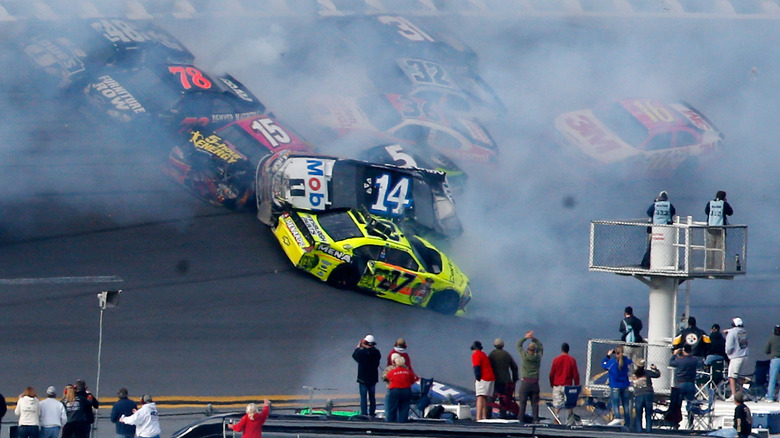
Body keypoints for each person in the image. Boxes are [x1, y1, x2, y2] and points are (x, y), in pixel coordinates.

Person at [642, 190, 676, 268]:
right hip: (667, 228)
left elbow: (649, 212)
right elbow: (673, 212)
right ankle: (668, 262)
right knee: (667, 246)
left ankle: (646, 263)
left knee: (652, 245)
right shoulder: (669, 205)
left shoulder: (655, 205)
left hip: (656, 228)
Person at [548, 342, 579, 423]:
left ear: (561, 349)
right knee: (569, 404)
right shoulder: (572, 360)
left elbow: (552, 373)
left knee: (557, 404)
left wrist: (552, 383)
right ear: (568, 350)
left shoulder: (556, 359)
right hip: (568, 386)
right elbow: (575, 374)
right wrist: (576, 386)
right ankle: (570, 419)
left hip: (557, 385)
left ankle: (556, 420)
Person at [516, 331, 543, 424]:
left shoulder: (524, 356)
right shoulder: (538, 356)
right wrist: (534, 339)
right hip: (535, 383)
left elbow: (519, 345)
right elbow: (541, 347)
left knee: (522, 403)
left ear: (527, 349)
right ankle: (535, 419)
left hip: (525, 383)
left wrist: (526, 337)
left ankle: (521, 420)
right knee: (535, 404)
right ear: (535, 350)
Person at [602, 345, 632, 426]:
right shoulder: (626, 362)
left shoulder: (612, 362)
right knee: (626, 405)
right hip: (625, 385)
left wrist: (608, 356)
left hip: (615, 385)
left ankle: (617, 417)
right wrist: (623, 356)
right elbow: (630, 362)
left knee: (615, 403)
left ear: (615, 353)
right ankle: (627, 422)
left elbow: (604, 365)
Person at [488, 338, 518, 418]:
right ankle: (503, 416)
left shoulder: (491, 355)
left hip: (495, 382)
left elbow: (487, 367)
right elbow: (514, 367)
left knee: (490, 401)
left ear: (494, 345)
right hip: (506, 382)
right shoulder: (507, 355)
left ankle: (488, 416)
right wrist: (514, 379)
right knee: (504, 401)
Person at [352, 334, 381, 416]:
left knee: (363, 397)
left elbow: (354, 355)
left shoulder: (361, 352)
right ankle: (372, 412)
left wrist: (358, 347)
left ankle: (364, 413)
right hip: (373, 378)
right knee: (372, 397)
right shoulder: (377, 352)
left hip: (363, 378)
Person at [704, 190, 734, 270]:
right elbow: (730, 212)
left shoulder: (710, 203)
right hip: (721, 230)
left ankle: (709, 266)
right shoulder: (724, 204)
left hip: (710, 229)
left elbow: (706, 212)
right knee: (721, 250)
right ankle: (720, 267)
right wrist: (725, 203)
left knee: (710, 249)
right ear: (724, 197)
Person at [382, 355, 416, 423]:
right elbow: (412, 380)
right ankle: (403, 421)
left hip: (394, 390)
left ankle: (390, 422)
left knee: (392, 407)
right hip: (406, 390)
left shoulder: (392, 371)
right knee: (404, 407)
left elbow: (387, 378)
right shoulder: (408, 371)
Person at [631, 359, 660, 433]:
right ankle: (648, 429)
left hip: (638, 394)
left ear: (637, 365)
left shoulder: (634, 374)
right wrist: (655, 369)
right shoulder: (647, 372)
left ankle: (639, 429)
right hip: (648, 393)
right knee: (648, 413)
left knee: (639, 413)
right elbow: (657, 375)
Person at [725, 317, 749, 400]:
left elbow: (729, 347)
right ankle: (741, 394)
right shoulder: (744, 332)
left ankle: (734, 395)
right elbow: (737, 332)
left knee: (732, 376)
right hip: (745, 356)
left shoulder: (731, 333)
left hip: (736, 357)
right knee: (741, 376)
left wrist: (728, 353)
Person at [470, 340, 495, 421]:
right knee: (484, 397)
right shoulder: (483, 354)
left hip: (483, 378)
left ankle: (478, 417)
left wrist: (478, 378)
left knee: (480, 397)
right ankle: (484, 417)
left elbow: (477, 367)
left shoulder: (476, 354)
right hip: (490, 378)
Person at [763, 324, 780, 402]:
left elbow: (766, 351)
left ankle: (770, 397)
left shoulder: (772, 338)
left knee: (772, 379)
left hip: (775, 359)